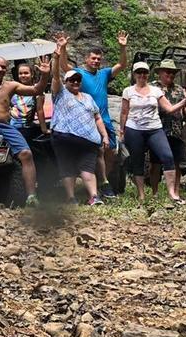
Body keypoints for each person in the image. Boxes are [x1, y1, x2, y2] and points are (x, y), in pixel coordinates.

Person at [55, 30, 128, 197]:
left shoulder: (104, 74)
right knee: (98, 151)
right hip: (87, 120)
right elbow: (64, 67)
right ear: (86, 59)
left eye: (98, 59)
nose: (96, 61)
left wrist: (122, 47)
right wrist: (63, 48)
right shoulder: (79, 74)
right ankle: (100, 184)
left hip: (105, 119)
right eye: (93, 58)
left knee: (110, 151)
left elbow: (122, 65)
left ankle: (103, 181)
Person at [0, 55, 51, 203]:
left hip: (5, 125)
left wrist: (45, 74)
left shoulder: (10, 86)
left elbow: (36, 89)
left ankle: (31, 196)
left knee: (27, 153)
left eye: (3, 67)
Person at [120, 61, 186, 204]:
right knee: (138, 161)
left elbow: (170, 109)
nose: (142, 75)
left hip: (154, 128)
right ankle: (141, 195)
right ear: (135, 74)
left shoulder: (155, 90)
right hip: (134, 128)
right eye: (139, 72)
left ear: (148, 74)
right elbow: (124, 112)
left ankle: (172, 193)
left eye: (144, 72)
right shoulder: (128, 91)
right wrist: (122, 130)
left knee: (167, 157)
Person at [50, 41, 111, 206]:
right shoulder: (60, 93)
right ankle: (70, 198)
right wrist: (57, 57)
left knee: (88, 168)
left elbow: (97, 117)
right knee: (68, 168)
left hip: (88, 140)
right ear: (66, 82)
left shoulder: (88, 97)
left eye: (78, 81)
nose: (75, 83)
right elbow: (56, 76)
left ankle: (93, 196)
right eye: (72, 81)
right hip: (65, 137)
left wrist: (104, 136)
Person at [148, 59, 186, 195]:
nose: (171, 75)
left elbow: (183, 114)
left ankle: (176, 193)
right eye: (168, 72)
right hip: (157, 129)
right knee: (155, 163)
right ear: (160, 73)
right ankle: (155, 192)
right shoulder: (151, 88)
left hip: (176, 130)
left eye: (173, 72)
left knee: (176, 163)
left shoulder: (180, 90)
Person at [10, 62, 50, 141]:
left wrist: (44, 129)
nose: (23, 75)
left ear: (31, 75)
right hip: (12, 127)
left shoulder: (37, 90)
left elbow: (40, 110)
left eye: (26, 73)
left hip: (26, 127)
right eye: (20, 73)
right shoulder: (13, 89)